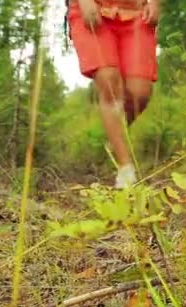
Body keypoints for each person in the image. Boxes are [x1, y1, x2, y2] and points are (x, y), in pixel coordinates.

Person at [66, 0, 160, 188]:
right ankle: (126, 170)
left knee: (139, 93)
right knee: (108, 80)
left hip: (137, 12)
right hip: (94, 8)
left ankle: (115, 139)